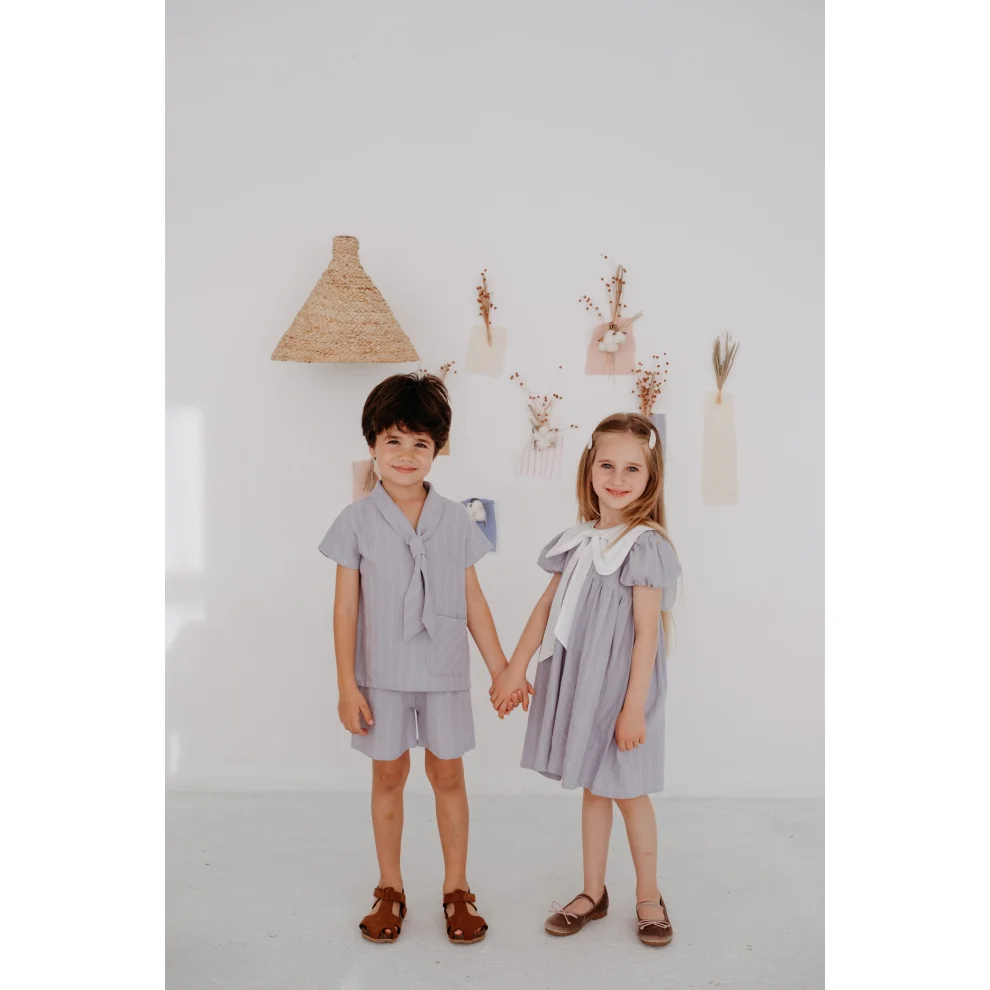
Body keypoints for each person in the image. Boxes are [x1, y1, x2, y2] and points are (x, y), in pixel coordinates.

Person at [320, 372, 527, 944]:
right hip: (381, 675)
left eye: (421, 443)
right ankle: (390, 887)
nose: (406, 455)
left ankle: (457, 888)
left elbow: (473, 599)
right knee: (388, 774)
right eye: (394, 440)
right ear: (372, 444)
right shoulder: (355, 521)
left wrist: (502, 669)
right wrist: (346, 684)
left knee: (448, 775)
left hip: (445, 672)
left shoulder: (456, 519)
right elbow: (345, 608)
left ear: (438, 449)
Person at [491, 412, 682, 947]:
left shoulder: (644, 546)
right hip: (583, 683)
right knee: (595, 790)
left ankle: (649, 894)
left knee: (629, 792)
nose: (617, 478)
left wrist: (634, 707)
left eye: (632, 469)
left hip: (622, 690)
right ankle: (593, 892)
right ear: (589, 468)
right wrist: (515, 666)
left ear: (651, 477)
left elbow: (646, 634)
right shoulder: (576, 541)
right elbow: (546, 607)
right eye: (607, 465)